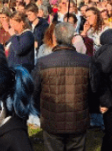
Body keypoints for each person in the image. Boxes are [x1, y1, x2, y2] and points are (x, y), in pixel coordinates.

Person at [32, 22, 93, 151]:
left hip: (66, 118)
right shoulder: (85, 61)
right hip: (65, 117)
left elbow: (94, 88)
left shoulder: (44, 62)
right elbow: (34, 90)